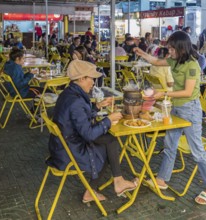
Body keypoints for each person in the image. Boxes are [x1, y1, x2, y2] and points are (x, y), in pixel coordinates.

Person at [133, 31, 206, 205]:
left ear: (180, 48)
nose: (168, 51)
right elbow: (156, 61)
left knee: (197, 151)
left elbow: (187, 91)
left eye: (171, 48)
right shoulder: (174, 60)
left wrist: (164, 93)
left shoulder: (192, 65)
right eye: (168, 47)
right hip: (176, 108)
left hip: (190, 109)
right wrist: (143, 54)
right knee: (170, 145)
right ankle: (162, 179)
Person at [47, 60, 138, 203]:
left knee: (110, 142)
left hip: (63, 144)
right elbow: (88, 134)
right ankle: (111, 184)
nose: (94, 82)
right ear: (82, 78)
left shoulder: (69, 93)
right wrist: (108, 120)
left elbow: (78, 118)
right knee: (109, 146)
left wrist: (97, 106)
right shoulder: (76, 101)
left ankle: (111, 184)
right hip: (68, 151)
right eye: (92, 78)